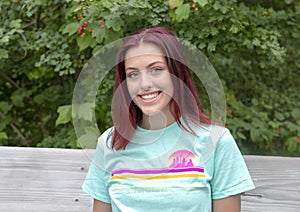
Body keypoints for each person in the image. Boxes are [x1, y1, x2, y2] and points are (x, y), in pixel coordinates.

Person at [82, 26, 255, 212]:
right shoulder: (110, 143)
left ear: (177, 73)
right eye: (133, 74)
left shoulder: (216, 141)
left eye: (156, 70)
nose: (145, 84)